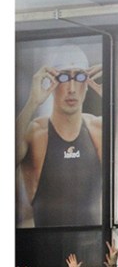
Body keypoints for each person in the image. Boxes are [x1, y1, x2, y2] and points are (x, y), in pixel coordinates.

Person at [16, 48, 103, 227]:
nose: (72, 89)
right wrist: (33, 102)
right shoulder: (35, 134)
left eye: (79, 77)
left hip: (95, 243)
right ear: (51, 83)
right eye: (63, 78)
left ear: (87, 83)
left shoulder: (99, 129)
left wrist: (112, 95)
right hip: (44, 244)